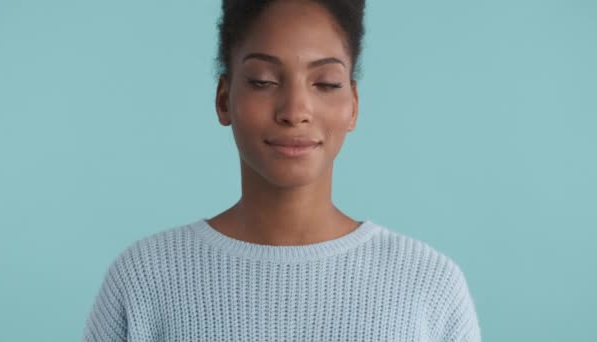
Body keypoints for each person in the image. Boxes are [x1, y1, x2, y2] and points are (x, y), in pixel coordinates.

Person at [82, 1, 482, 341]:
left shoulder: (429, 284)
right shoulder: (144, 278)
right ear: (224, 99)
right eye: (263, 81)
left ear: (353, 106)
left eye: (325, 83)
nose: (295, 112)